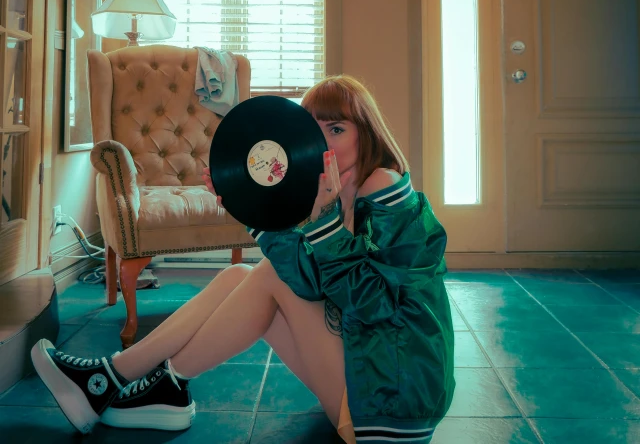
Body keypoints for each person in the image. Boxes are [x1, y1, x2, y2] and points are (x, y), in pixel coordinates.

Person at [30, 75, 455, 442]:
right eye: (314, 130)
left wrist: (321, 227)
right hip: (368, 383)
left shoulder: (386, 189)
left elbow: (377, 304)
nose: (323, 141)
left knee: (266, 275)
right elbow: (308, 285)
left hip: (394, 405)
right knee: (240, 275)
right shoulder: (337, 194)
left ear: (367, 132)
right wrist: (249, 210)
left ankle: (127, 380)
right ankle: (154, 385)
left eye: (337, 129)